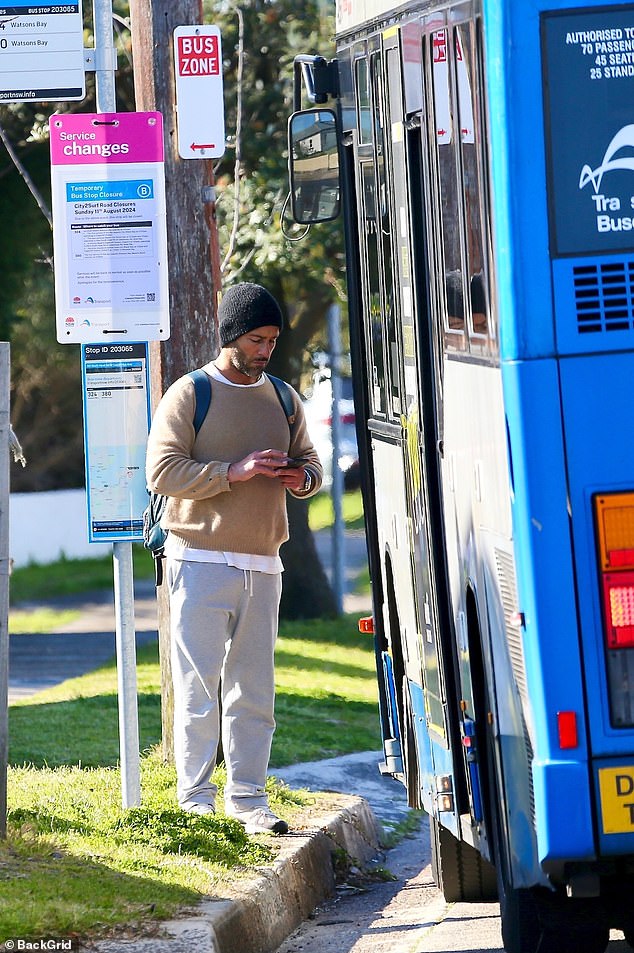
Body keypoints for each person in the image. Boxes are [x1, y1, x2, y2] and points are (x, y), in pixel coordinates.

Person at [145, 282, 322, 834]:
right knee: (199, 686)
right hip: (197, 558)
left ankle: (248, 800)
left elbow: (313, 465)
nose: (266, 349)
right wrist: (233, 472)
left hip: (264, 565)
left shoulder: (286, 399)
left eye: (272, 339)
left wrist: (301, 478)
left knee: (254, 690)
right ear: (230, 336)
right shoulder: (189, 394)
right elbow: (162, 472)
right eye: (256, 339)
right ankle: (194, 798)